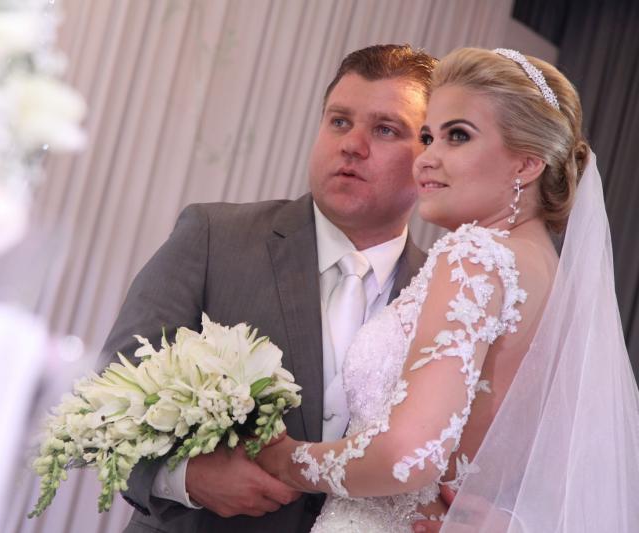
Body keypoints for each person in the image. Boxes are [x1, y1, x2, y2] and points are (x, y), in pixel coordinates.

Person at [256, 46, 639, 532]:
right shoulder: (557, 282)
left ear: (527, 164)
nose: (427, 159)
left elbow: (407, 457)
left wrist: (288, 460)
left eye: (458, 136)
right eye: (427, 136)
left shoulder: (474, 256)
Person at [98, 44, 435, 533]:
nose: (352, 145)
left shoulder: (447, 294)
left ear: (431, 155)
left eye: (385, 129)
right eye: (339, 121)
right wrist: (187, 476)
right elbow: (105, 395)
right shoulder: (214, 237)